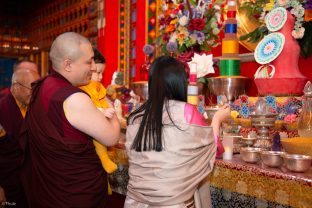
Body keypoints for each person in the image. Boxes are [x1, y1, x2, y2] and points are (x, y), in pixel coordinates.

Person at [20, 32, 120, 207]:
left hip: (49, 189)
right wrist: (109, 105)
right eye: (89, 61)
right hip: (75, 194)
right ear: (67, 65)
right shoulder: (73, 98)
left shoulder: (43, 85)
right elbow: (111, 137)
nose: (94, 67)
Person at [125, 56, 230, 208]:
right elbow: (214, 148)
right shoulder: (186, 111)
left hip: (134, 203)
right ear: (180, 82)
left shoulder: (137, 115)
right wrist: (217, 120)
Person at [79, 48, 118, 194]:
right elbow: (90, 108)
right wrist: (103, 110)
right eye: (98, 72)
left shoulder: (98, 87)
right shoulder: (82, 89)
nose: (101, 77)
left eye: (102, 73)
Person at [0, 69, 40, 208]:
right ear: (16, 86)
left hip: (29, 182)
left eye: (37, 88)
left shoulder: (32, 106)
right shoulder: (2, 108)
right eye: (31, 88)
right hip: (8, 182)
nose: (35, 93)